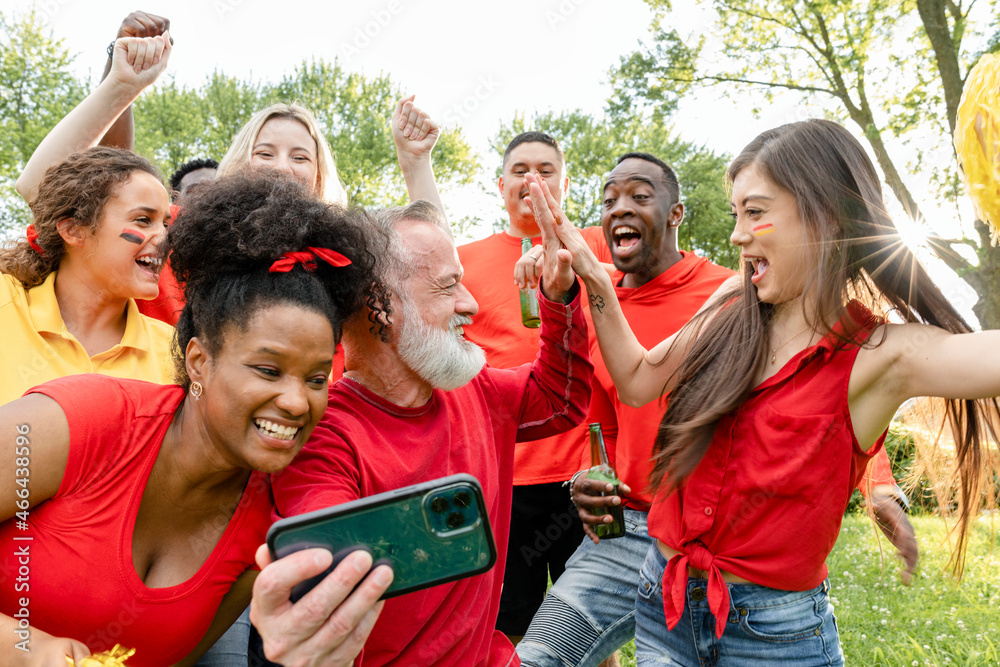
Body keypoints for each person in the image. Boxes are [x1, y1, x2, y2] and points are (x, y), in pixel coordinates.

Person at [527, 119, 1000, 665]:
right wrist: (597, 281)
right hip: (667, 600)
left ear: (824, 215)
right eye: (737, 214)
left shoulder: (883, 356)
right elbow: (636, 380)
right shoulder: (731, 305)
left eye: (755, 212)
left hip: (774, 635)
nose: (737, 235)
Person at [0, 169, 388, 666]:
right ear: (200, 361)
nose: (297, 402)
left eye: (316, 379)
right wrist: (23, 649)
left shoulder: (269, 529)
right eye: (269, 370)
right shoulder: (80, 421)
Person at [268, 200, 594, 667]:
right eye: (448, 286)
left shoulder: (474, 388)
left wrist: (558, 296)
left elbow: (561, 400)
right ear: (379, 302)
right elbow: (328, 586)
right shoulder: (324, 440)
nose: (471, 303)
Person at [457, 132, 609, 645]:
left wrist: (556, 248)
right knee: (508, 626)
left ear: (565, 183)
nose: (533, 179)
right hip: (503, 476)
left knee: (588, 626)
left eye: (546, 169)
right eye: (521, 169)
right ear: (501, 185)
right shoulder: (464, 260)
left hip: (584, 477)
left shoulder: (598, 248)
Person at [0, 146, 175, 406]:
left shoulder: (176, 355)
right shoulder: (6, 303)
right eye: (142, 219)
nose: (166, 240)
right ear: (73, 230)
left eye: (166, 224)